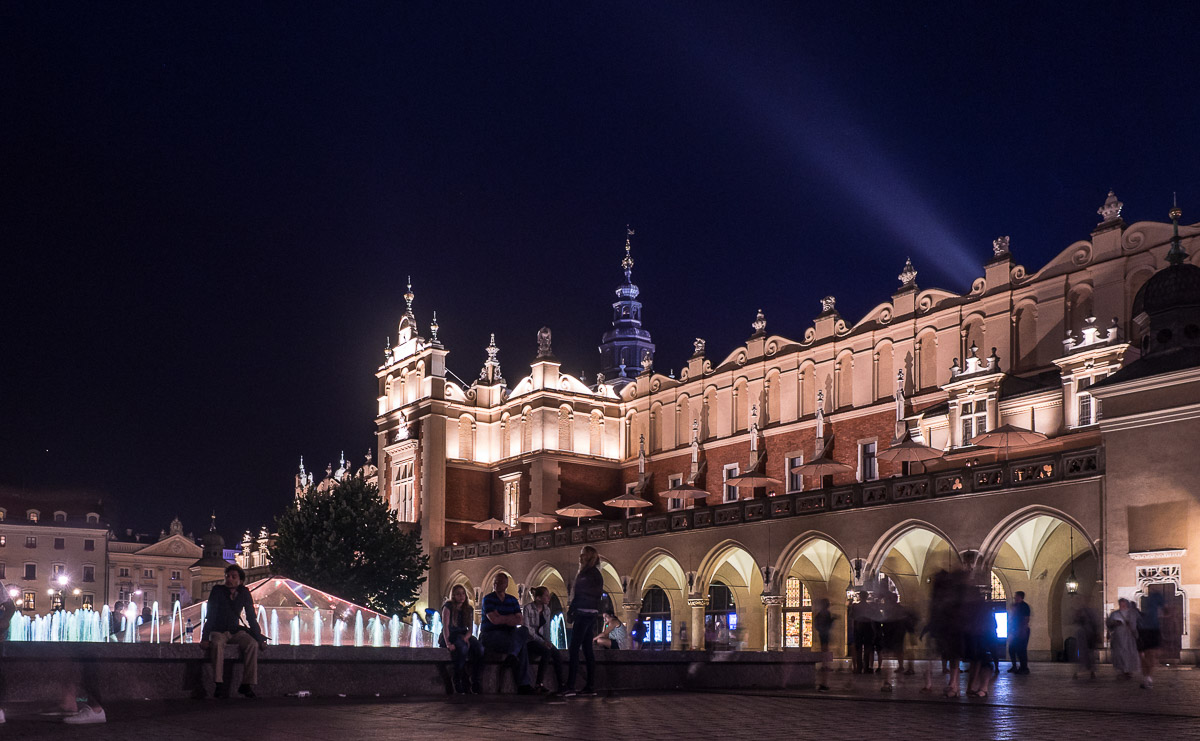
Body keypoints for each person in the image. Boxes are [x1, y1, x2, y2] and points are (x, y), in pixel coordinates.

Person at [200, 564, 267, 699]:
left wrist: (260, 639)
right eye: (227, 576)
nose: (229, 579)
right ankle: (219, 683)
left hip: (235, 631)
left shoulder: (244, 593)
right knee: (217, 644)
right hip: (218, 630)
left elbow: (251, 617)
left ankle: (246, 684)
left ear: (240, 581)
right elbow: (211, 615)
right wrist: (205, 637)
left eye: (233, 577)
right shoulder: (217, 591)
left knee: (252, 644)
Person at [479, 573, 535, 694]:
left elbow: (520, 620)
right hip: (491, 635)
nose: (496, 584)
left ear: (506, 584)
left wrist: (502, 617)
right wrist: (510, 618)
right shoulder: (488, 599)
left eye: (499, 582)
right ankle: (524, 684)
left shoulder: (512, 600)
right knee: (522, 646)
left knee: (524, 630)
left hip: (509, 635)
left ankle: (512, 655)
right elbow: (494, 620)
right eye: (495, 582)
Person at [562, 545, 602, 697]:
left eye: (583, 555)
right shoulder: (595, 574)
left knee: (573, 649)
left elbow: (580, 595)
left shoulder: (588, 573)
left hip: (583, 614)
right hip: (590, 614)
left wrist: (572, 610)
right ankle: (590, 686)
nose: (580, 557)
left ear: (590, 557)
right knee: (587, 650)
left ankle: (570, 686)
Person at [441, 584, 483, 694]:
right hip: (452, 634)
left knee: (480, 648)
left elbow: (470, 629)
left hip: (464, 634)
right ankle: (457, 678)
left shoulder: (468, 608)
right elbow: (445, 627)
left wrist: (466, 638)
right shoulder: (448, 607)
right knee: (463, 649)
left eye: (463, 593)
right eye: (458, 594)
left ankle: (475, 680)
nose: (461, 596)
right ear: (453, 596)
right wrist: (448, 643)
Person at [522, 586, 563, 692]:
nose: (549, 598)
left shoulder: (547, 610)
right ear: (538, 598)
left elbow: (547, 629)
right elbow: (528, 630)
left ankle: (561, 684)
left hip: (541, 639)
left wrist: (548, 642)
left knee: (556, 654)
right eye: (546, 595)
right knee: (546, 652)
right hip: (530, 640)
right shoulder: (528, 608)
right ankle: (538, 684)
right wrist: (543, 642)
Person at [1138, 591, 1165, 689]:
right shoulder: (1158, 599)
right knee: (1150, 655)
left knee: (1144, 654)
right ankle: (1148, 678)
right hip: (1153, 630)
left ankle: (1147, 678)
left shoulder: (1146, 600)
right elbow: (1163, 613)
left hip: (1144, 630)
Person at [1107, 598, 1138, 678]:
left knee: (1128, 653)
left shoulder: (1132, 613)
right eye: (1121, 604)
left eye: (1124, 603)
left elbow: (1136, 624)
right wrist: (1115, 624)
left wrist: (1130, 625)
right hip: (1118, 637)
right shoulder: (1115, 614)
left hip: (1129, 637)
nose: (1122, 605)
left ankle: (1128, 670)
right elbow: (1109, 625)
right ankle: (1122, 669)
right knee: (1119, 653)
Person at [1071, 605, 1099, 680]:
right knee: (1082, 656)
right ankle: (1081, 671)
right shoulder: (1081, 628)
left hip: (1088, 639)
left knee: (1088, 656)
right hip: (1083, 640)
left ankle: (1090, 671)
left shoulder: (1090, 615)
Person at [814, 598, 835, 692]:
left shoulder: (820, 614)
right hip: (824, 635)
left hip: (822, 635)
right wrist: (832, 620)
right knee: (825, 651)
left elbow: (817, 624)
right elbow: (827, 624)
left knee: (824, 650)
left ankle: (824, 682)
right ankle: (825, 666)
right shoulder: (826, 613)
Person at [1007, 591, 1031, 674]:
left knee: (1021, 650)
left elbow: (1026, 619)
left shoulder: (1024, 606)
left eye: (1016, 596)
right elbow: (1012, 617)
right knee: (1012, 649)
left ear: (1020, 597)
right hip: (1015, 630)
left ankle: (1024, 668)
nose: (1015, 598)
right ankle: (1014, 666)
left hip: (1021, 630)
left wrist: (1022, 630)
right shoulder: (1016, 606)